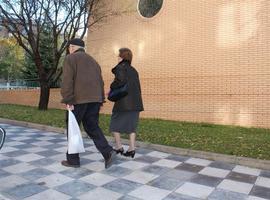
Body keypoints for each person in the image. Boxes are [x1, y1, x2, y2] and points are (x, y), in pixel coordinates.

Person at [61, 38, 116, 168]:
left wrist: (68, 99)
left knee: (73, 129)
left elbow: (67, 81)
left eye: (70, 47)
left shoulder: (70, 58)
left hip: (77, 100)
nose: (69, 49)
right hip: (95, 100)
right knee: (92, 127)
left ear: (73, 48)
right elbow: (100, 82)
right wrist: (100, 99)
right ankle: (108, 152)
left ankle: (73, 160)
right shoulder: (93, 61)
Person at [109, 48, 144, 158]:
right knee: (131, 126)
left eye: (118, 55)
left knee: (114, 124)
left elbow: (120, 81)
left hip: (123, 103)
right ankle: (132, 148)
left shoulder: (120, 67)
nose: (117, 57)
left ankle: (119, 146)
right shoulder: (134, 70)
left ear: (121, 57)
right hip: (136, 103)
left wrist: (111, 87)